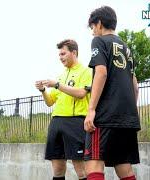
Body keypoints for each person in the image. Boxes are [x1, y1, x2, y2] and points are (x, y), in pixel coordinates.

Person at [84, 6, 140, 180]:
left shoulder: (99, 41)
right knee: (123, 165)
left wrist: (91, 109)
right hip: (127, 117)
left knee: (93, 162)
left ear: (99, 24)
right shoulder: (126, 48)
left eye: (93, 27)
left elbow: (101, 72)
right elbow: (135, 85)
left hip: (105, 115)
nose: (93, 32)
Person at [35, 39, 92, 180]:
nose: (60, 57)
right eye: (59, 55)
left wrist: (57, 85)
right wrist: (43, 90)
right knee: (58, 168)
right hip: (56, 122)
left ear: (74, 52)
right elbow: (50, 102)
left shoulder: (86, 71)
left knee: (81, 168)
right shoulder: (61, 75)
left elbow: (81, 93)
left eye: (63, 54)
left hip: (75, 123)